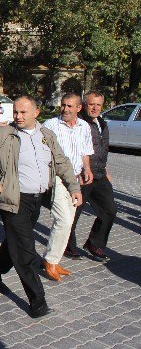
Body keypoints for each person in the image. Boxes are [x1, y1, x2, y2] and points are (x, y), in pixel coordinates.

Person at [0, 95, 81, 318]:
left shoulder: (46, 136)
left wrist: (73, 187)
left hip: (36, 199)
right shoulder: (3, 134)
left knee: (15, 241)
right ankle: (37, 302)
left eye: (23, 112)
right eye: (16, 112)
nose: (18, 117)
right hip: (12, 199)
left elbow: (61, 162)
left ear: (36, 113)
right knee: (25, 249)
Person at [41, 93, 94, 281]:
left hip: (76, 180)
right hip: (57, 178)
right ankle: (49, 261)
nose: (65, 109)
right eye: (63, 105)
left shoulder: (84, 127)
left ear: (79, 108)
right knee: (63, 220)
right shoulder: (50, 125)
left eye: (70, 106)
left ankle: (54, 260)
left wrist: (86, 169)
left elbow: (85, 151)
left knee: (68, 222)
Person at [65, 91, 117, 262]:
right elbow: (73, 148)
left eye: (98, 105)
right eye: (91, 104)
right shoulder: (78, 123)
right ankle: (67, 246)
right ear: (84, 105)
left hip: (100, 174)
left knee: (109, 210)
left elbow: (103, 149)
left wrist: (106, 169)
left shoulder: (102, 122)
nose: (95, 108)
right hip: (82, 175)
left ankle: (94, 243)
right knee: (74, 214)